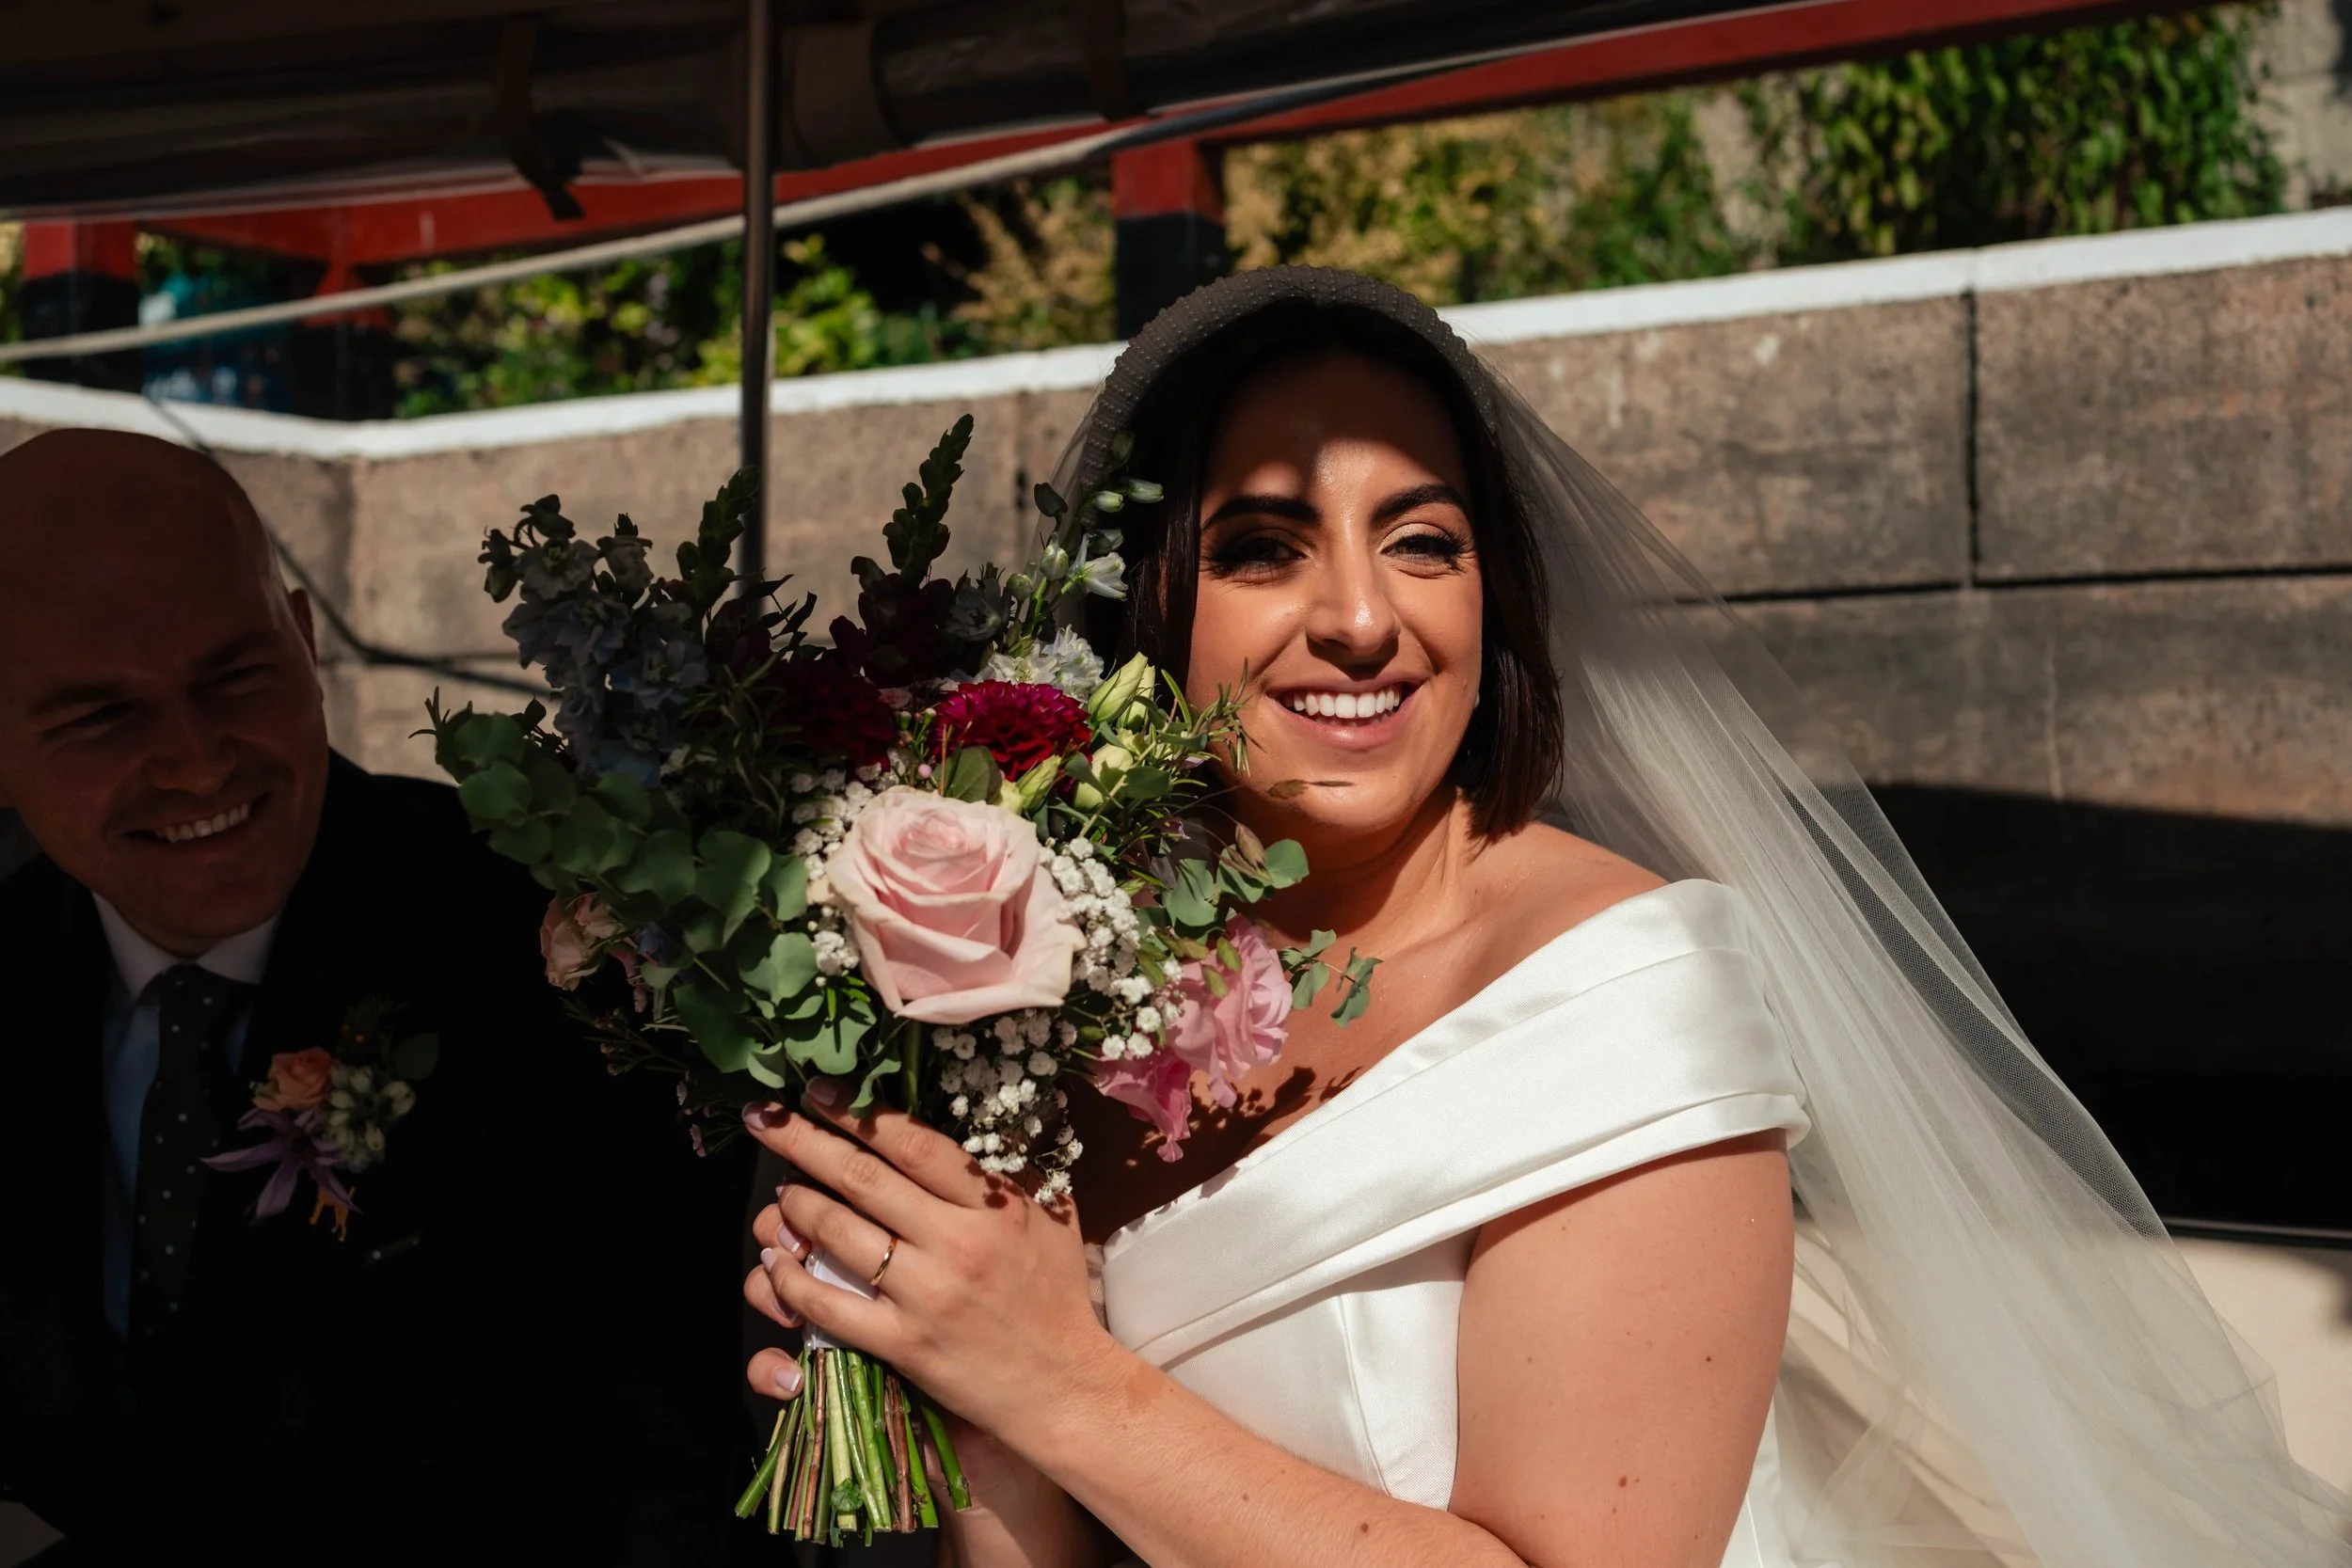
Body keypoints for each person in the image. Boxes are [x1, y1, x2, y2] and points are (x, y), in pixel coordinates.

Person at [731, 269, 2352, 1568]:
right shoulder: (1069, 995)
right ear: (1149, 606)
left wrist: (1057, 1379)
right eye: (1264, 546)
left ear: (1492, 593)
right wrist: (947, 1366)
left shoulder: (1620, 990)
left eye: (1423, 541)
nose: (1362, 619)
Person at [0, 430, 754, 1565]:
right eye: (104, 716)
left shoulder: (548, 953)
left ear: (303, 641)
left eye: (235, 675)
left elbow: (644, 1482)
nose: (199, 761)